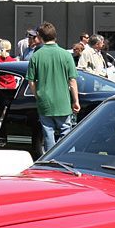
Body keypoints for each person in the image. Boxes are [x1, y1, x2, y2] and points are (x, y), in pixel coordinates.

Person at [25, 22, 79, 152]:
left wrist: (37, 95)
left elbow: (31, 81)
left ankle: (51, 159)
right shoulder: (66, 55)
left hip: (45, 100)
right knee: (66, 131)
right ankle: (66, 157)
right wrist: (76, 100)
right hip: (63, 100)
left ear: (40, 37)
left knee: (48, 132)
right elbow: (72, 81)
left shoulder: (36, 56)